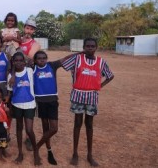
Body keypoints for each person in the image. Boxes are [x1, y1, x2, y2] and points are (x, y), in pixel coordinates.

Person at [62, 38, 114, 167]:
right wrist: (77, 53)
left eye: (92, 46)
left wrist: (99, 86)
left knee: (89, 125)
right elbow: (63, 63)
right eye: (87, 46)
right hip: (78, 94)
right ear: (84, 47)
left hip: (92, 96)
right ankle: (75, 154)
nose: (90, 48)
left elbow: (110, 75)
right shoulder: (77, 59)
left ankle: (90, 155)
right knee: (77, 124)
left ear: (96, 47)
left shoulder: (101, 62)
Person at [33, 50, 79, 165]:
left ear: (47, 59)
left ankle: (37, 147)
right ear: (35, 60)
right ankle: (49, 151)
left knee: (54, 128)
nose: (42, 60)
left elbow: (65, 58)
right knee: (45, 127)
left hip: (53, 100)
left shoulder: (51, 66)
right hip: (40, 101)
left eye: (44, 58)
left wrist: (80, 53)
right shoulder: (32, 68)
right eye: (39, 58)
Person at [7, 52, 41, 166]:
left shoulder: (30, 71)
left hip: (30, 104)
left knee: (29, 130)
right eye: (15, 60)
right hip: (16, 104)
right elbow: (10, 93)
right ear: (13, 62)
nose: (18, 62)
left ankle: (36, 151)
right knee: (18, 128)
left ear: (24, 61)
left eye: (20, 60)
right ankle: (20, 153)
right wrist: (10, 108)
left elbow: (33, 61)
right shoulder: (10, 77)